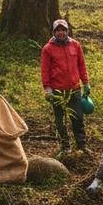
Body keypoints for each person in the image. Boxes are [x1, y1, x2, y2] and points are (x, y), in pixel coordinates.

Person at [41, 19, 90, 157]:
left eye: (63, 30)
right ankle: (65, 147)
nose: (61, 33)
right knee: (60, 120)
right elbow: (45, 70)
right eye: (58, 30)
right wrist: (47, 89)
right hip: (57, 91)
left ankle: (81, 145)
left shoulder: (75, 45)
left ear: (67, 31)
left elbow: (81, 65)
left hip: (74, 89)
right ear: (54, 32)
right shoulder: (48, 49)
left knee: (78, 117)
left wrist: (86, 83)